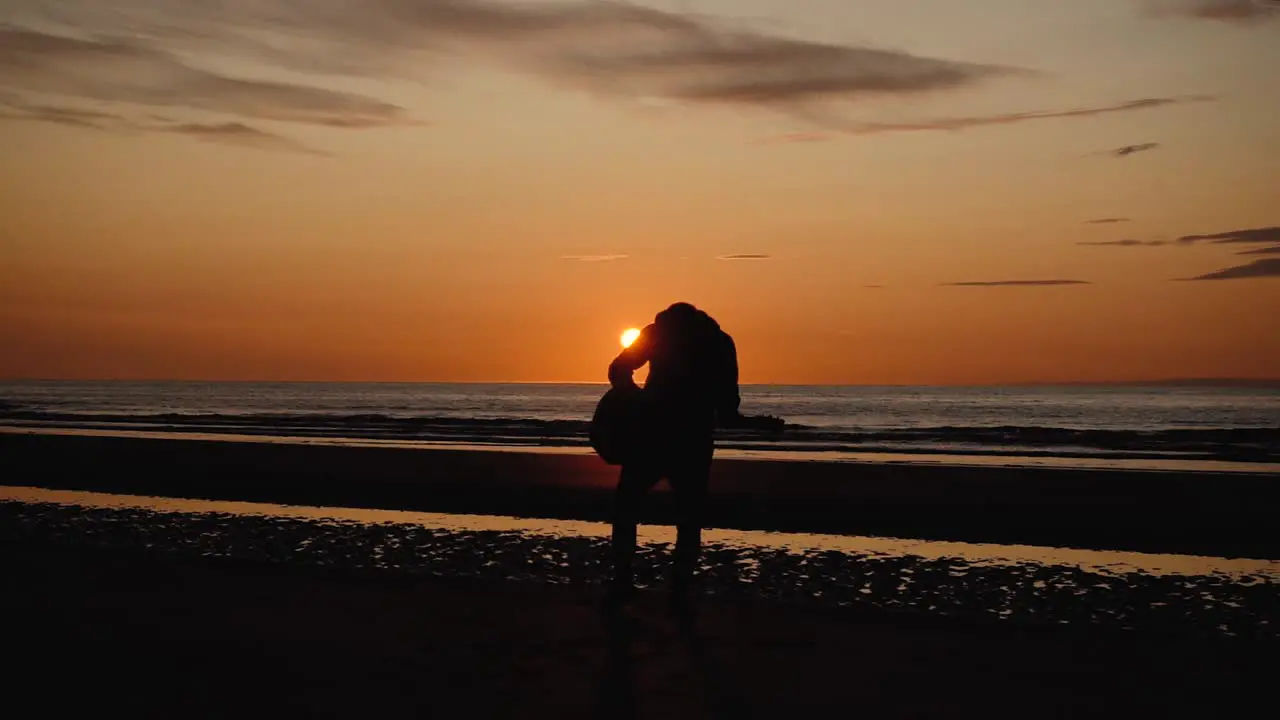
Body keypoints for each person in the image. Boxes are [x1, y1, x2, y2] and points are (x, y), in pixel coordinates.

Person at [604, 301, 744, 610]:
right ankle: (679, 587)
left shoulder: (657, 333)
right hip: (693, 438)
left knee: (627, 505)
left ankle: (623, 578)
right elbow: (727, 407)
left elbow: (618, 369)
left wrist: (633, 397)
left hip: (652, 432)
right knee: (689, 516)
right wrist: (748, 421)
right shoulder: (719, 342)